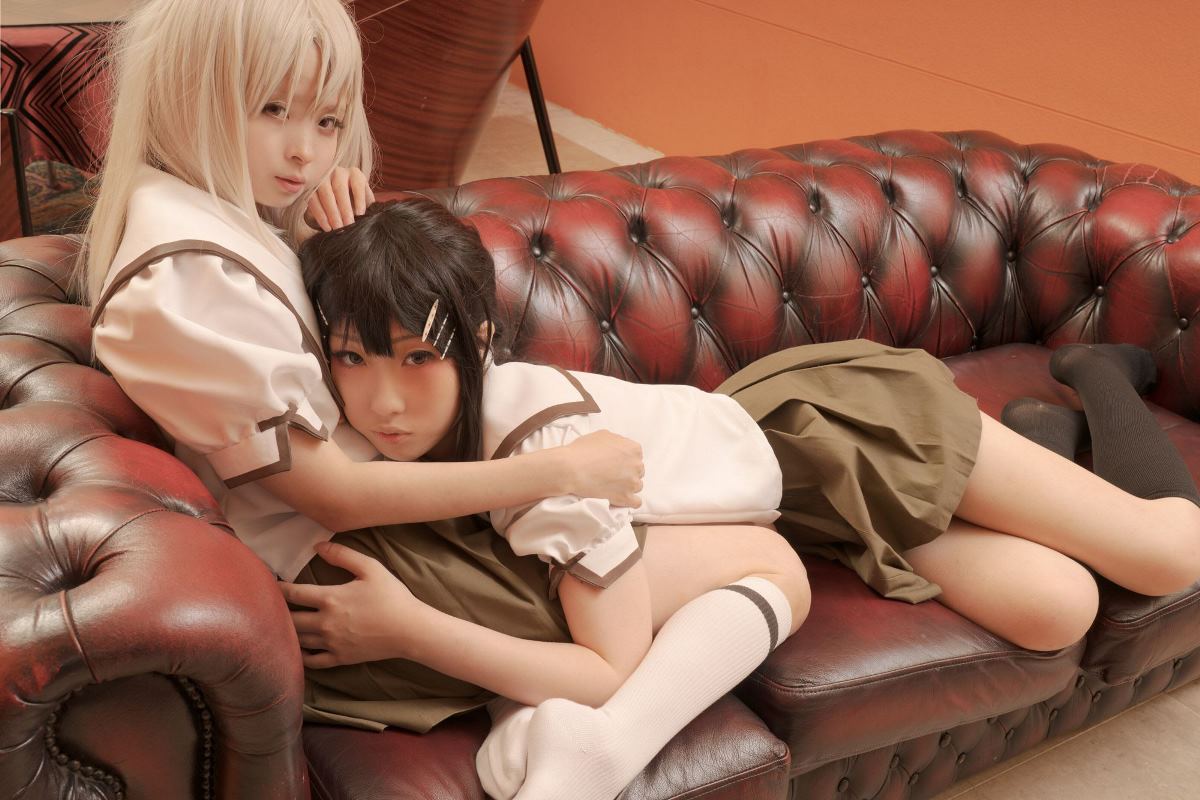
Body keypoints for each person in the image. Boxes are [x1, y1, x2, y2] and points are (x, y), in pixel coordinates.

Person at [290, 196, 1200, 800]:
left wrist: (411, 629)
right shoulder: (387, 437)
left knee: (1171, 555)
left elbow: (606, 668)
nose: (384, 403)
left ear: (479, 343)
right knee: (1058, 606)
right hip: (794, 514)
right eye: (354, 361)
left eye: (420, 358)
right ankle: (1043, 437)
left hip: (841, 429)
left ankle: (1098, 374)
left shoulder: (547, 456)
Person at [84, 0, 646, 742]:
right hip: (342, 566)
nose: (304, 153)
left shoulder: (212, 213)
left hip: (379, 533)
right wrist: (562, 472)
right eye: (273, 109)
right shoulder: (187, 274)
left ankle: (567, 739)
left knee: (713, 544)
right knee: (742, 559)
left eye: (326, 120)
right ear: (190, 90)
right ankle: (594, 750)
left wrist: (318, 231)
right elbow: (336, 496)